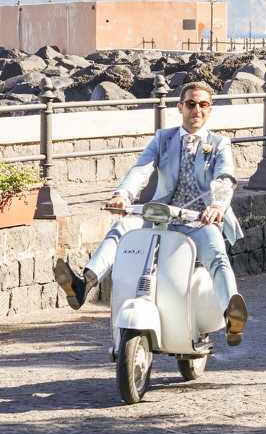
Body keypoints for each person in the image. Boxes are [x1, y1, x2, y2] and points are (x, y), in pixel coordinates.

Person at [54, 81, 248, 346]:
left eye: (203, 105)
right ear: (180, 107)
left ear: (209, 110)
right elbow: (141, 168)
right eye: (191, 103)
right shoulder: (163, 138)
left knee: (216, 253)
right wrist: (123, 194)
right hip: (162, 217)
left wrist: (217, 206)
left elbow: (225, 176)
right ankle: (83, 284)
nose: (197, 110)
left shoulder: (219, 143)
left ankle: (231, 316)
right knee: (121, 229)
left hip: (198, 220)